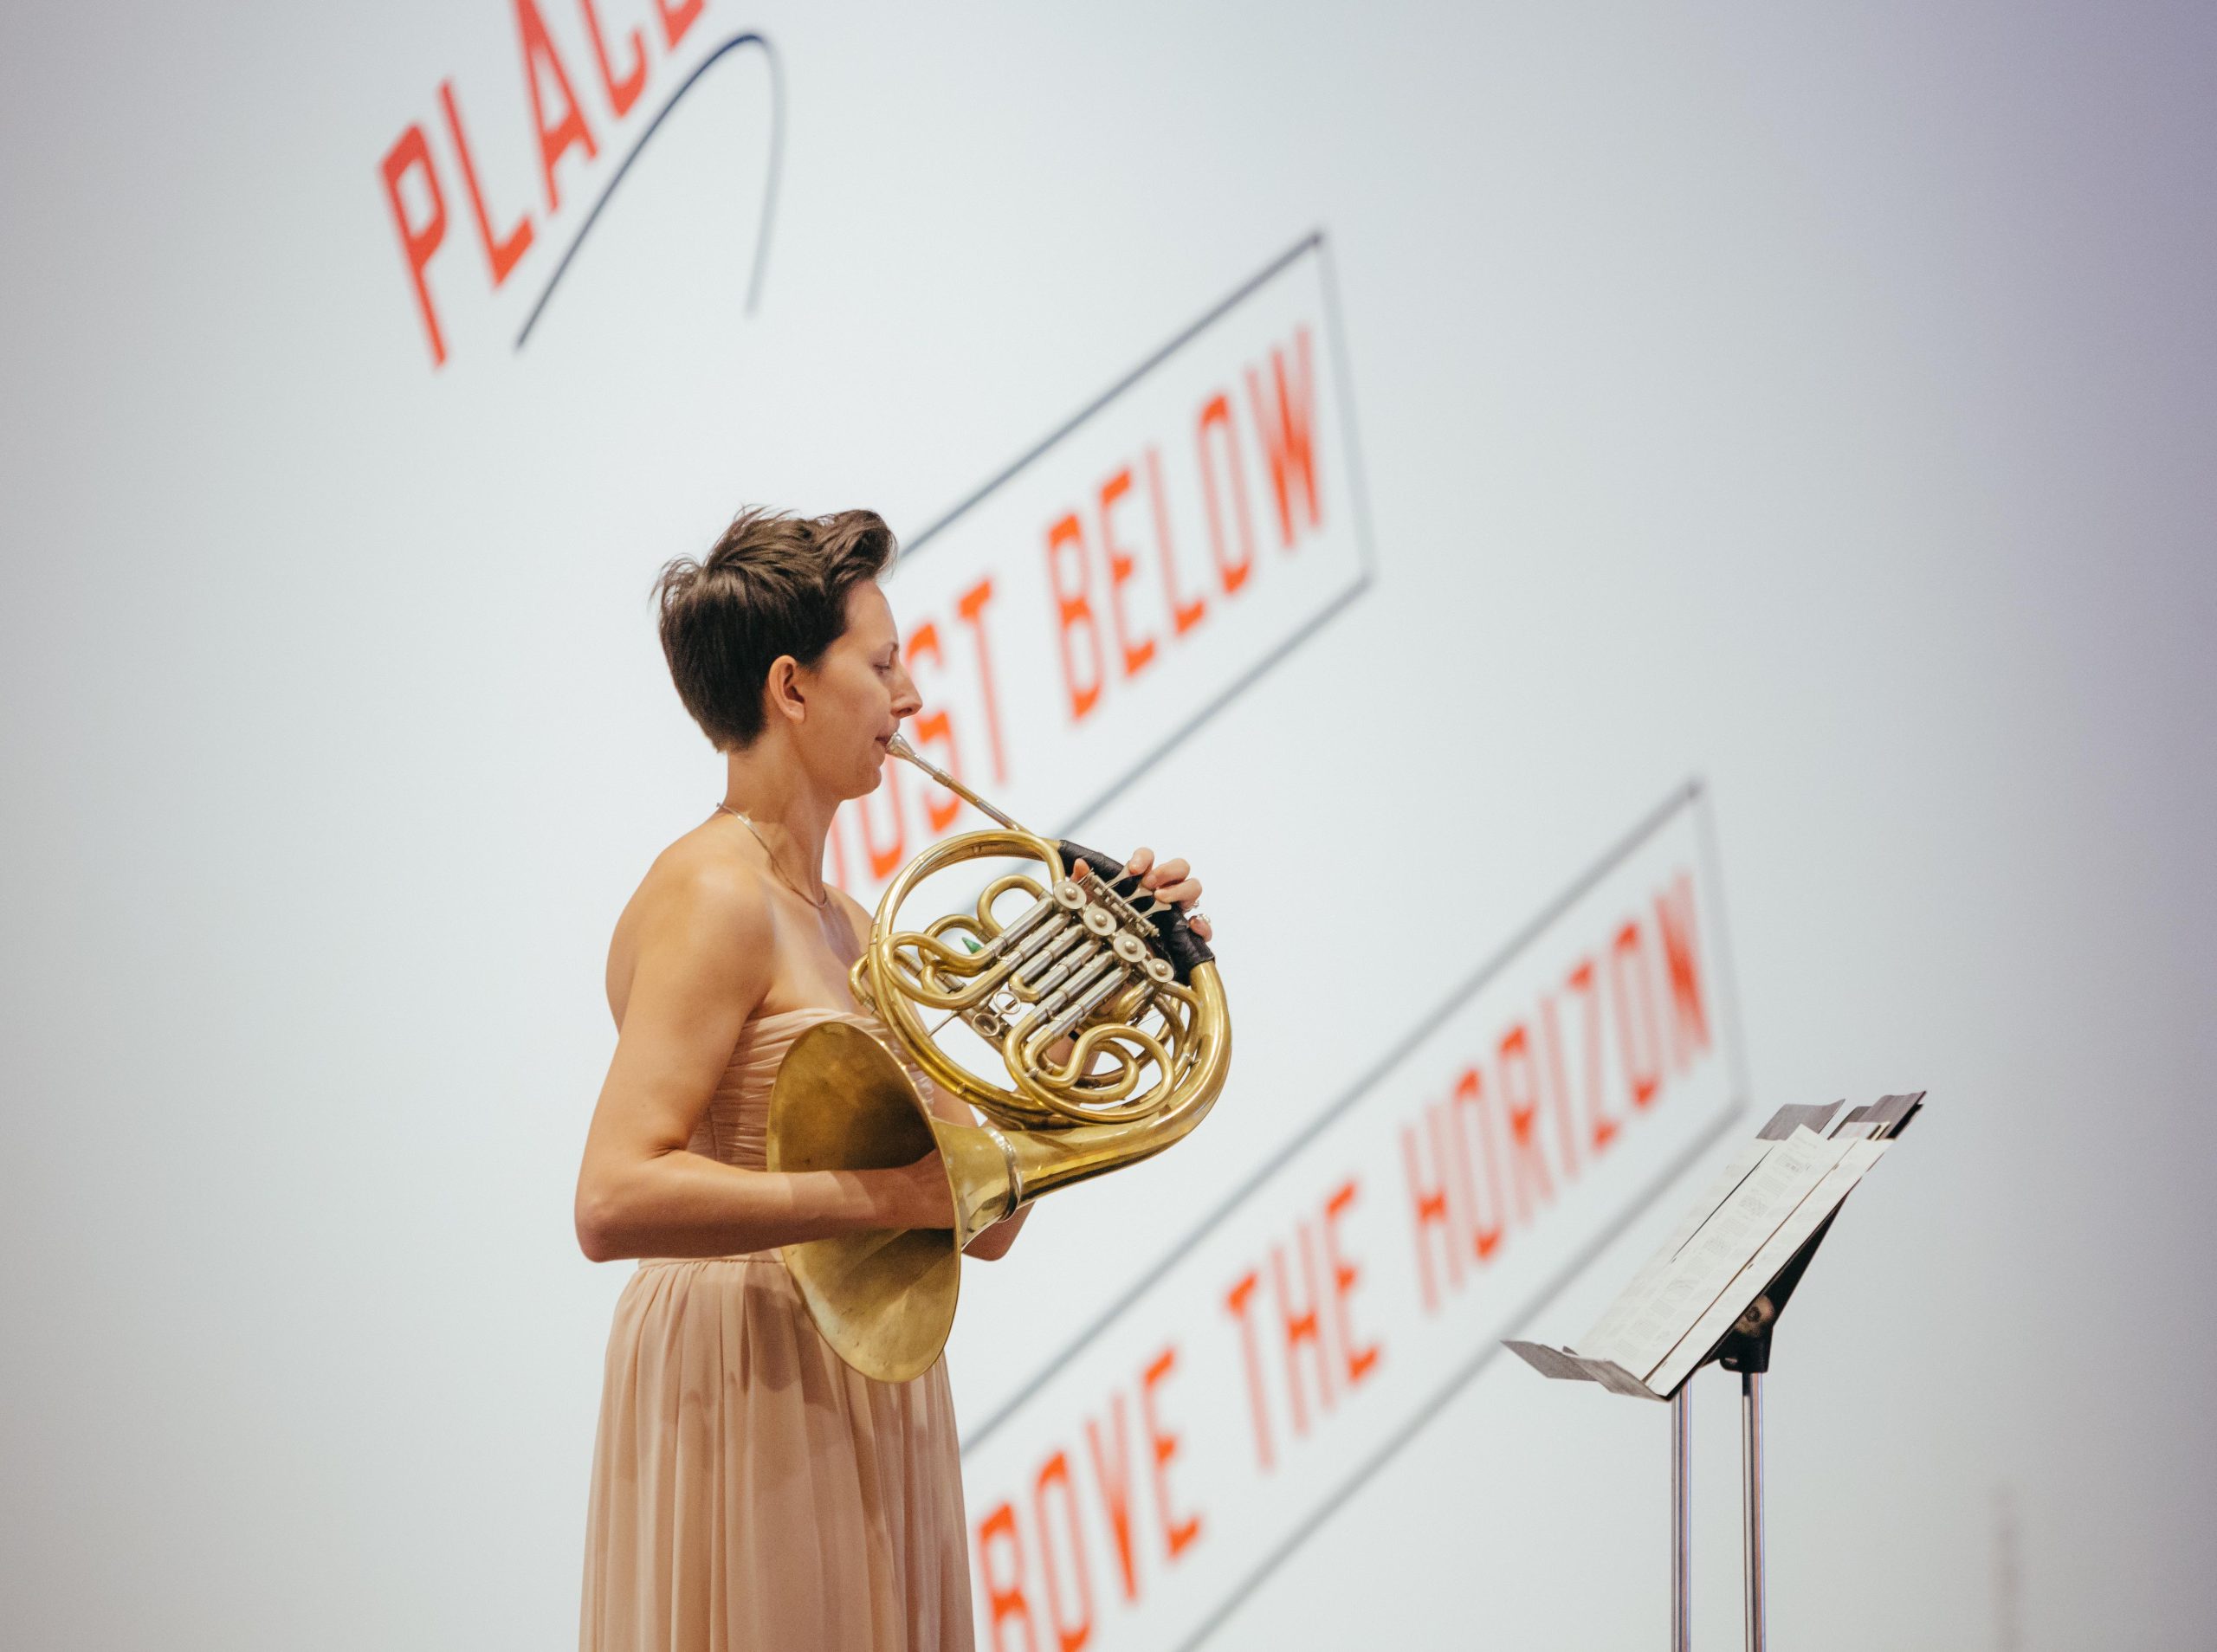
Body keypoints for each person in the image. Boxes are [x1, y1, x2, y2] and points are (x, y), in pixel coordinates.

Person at [573, 507, 1211, 1652]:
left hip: (862, 1371)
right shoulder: (714, 896)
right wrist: (885, 1203)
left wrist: (1099, 988)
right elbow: (614, 1198)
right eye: (883, 663)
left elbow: (978, 1214)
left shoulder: (851, 926)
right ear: (793, 689)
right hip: (750, 1369)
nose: (911, 697)